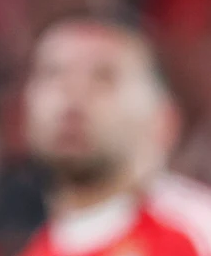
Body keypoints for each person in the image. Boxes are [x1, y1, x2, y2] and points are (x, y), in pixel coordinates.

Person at [20, 15, 211, 256]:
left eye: (104, 76)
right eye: (53, 73)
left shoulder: (196, 234)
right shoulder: (37, 250)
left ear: (163, 119)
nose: (73, 93)